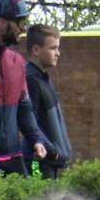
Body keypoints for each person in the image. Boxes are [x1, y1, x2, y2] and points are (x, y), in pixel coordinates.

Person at [0, 0, 48, 176]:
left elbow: (24, 107)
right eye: (20, 23)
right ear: (2, 23)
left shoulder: (17, 61)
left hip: (14, 159)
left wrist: (36, 139)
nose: (23, 28)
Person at [24, 24, 71, 177]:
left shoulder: (44, 78)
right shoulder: (30, 79)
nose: (58, 53)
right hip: (39, 161)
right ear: (36, 50)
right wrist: (53, 152)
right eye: (53, 48)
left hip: (51, 163)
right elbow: (30, 122)